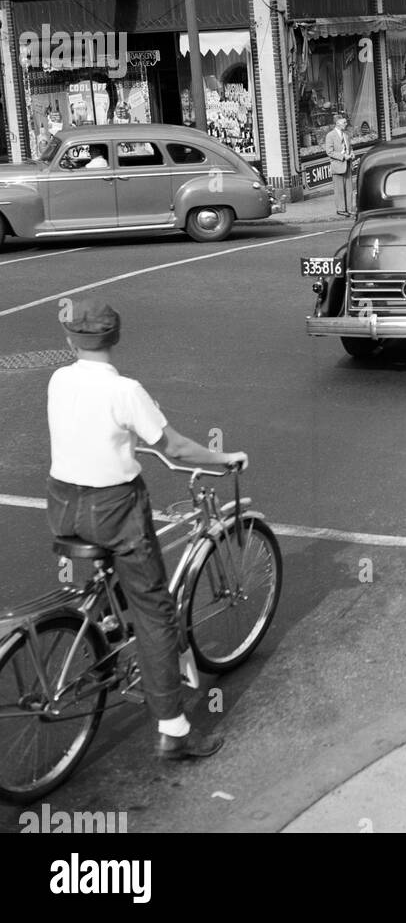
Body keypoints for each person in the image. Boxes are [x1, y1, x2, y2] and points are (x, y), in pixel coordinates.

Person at [46, 299, 247, 760]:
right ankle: (174, 730)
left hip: (63, 504)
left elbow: (88, 430)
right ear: (114, 339)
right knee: (157, 614)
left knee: (107, 582)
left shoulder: (59, 379)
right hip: (113, 508)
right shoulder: (125, 391)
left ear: (71, 339)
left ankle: (107, 638)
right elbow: (174, 448)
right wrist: (223, 457)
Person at [324, 111, 354, 216]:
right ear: (338, 123)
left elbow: (350, 147)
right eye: (344, 122)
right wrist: (342, 156)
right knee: (339, 189)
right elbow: (329, 151)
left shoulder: (346, 135)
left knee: (349, 188)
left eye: (346, 122)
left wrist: (352, 154)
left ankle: (349, 208)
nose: (346, 124)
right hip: (338, 165)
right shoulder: (330, 135)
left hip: (348, 164)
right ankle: (341, 209)